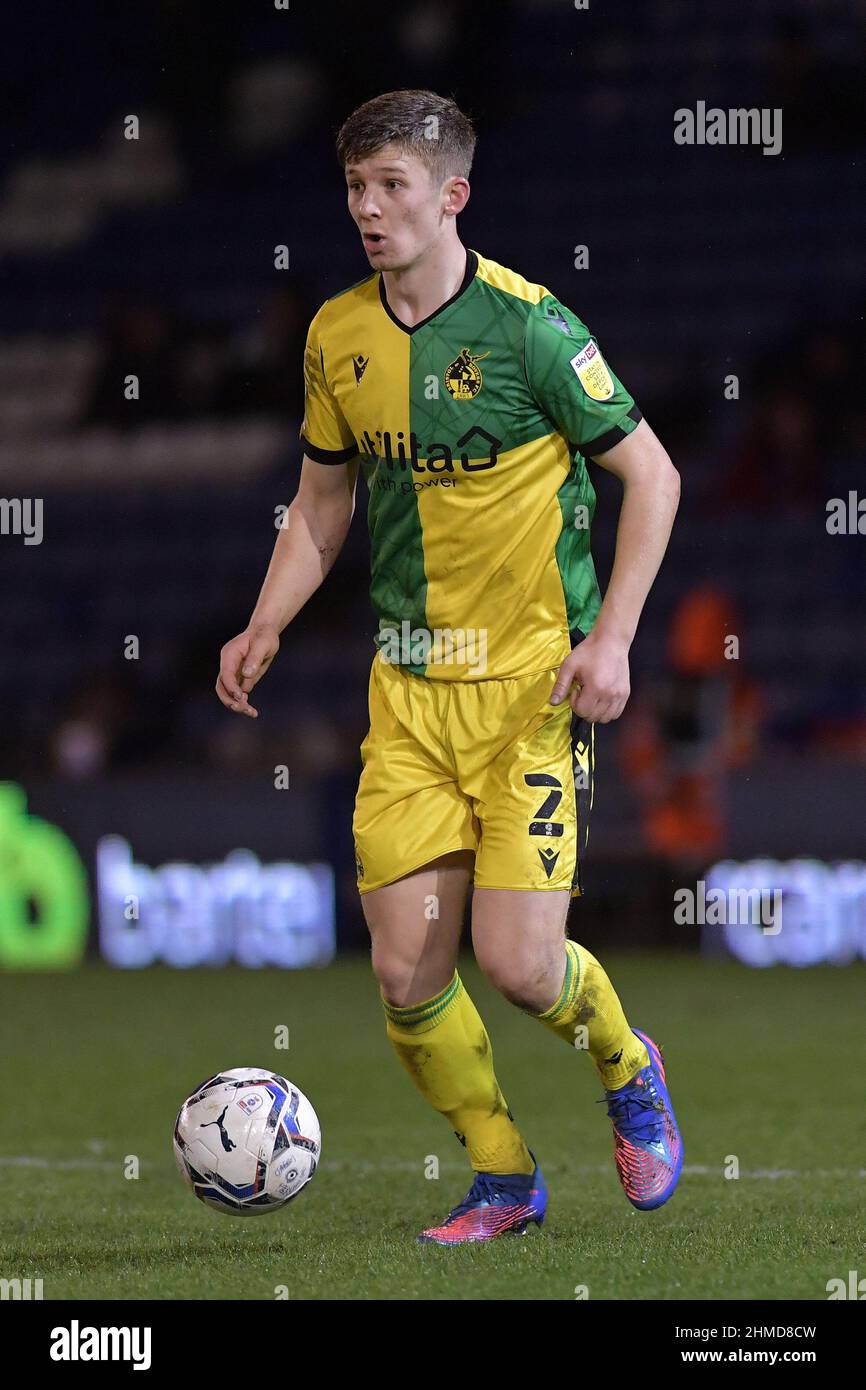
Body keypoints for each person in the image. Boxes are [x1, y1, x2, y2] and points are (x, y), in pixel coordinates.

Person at [216, 89, 682, 1245]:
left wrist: (612, 634)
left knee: (521, 967)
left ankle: (624, 1061)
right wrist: (266, 616)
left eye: (391, 190)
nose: (368, 212)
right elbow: (323, 499)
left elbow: (654, 477)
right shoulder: (336, 336)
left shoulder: (531, 327)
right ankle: (503, 1175)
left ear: (450, 196)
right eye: (355, 191)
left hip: (528, 692)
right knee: (403, 969)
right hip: (408, 695)